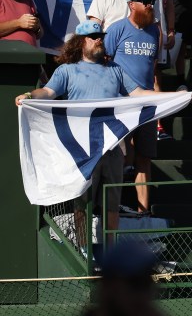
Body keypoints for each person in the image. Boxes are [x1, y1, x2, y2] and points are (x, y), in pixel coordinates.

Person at [14, 20, 160, 246]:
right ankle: (82, 249)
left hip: (112, 147)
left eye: (100, 35)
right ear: (81, 42)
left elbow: (139, 93)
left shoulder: (115, 70)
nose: (99, 39)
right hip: (81, 151)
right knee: (81, 202)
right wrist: (30, 96)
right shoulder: (67, 70)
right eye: (93, 36)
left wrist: (172, 97)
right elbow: (48, 92)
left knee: (112, 202)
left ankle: (110, 250)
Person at [104, 0, 160, 214]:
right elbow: (104, 62)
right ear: (131, 4)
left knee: (145, 157)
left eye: (152, 2)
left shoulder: (155, 31)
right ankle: (113, 208)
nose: (150, 6)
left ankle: (143, 211)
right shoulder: (116, 29)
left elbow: (153, 65)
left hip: (146, 103)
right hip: (121, 103)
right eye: (145, 2)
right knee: (121, 156)